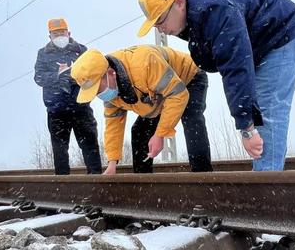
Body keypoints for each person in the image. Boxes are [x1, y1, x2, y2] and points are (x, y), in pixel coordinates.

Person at [137, 0, 295, 171]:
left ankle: (267, 187)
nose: (161, 29)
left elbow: (235, 66)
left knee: (267, 111)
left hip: (280, 35)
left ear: (179, 2)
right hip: (261, 44)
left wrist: (247, 129)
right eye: (155, 25)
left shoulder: (213, 10)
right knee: (263, 110)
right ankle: (268, 174)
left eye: (160, 20)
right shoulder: (195, 16)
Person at [70, 45, 212, 174]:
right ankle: (143, 182)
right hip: (158, 93)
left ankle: (203, 177)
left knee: (191, 119)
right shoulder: (110, 93)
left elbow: (178, 94)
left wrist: (160, 134)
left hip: (188, 78)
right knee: (139, 131)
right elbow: (113, 126)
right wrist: (112, 163)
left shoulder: (145, 64)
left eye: (98, 89)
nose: (99, 95)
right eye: (94, 92)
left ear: (111, 73)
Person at [34, 18, 102, 175]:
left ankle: (96, 180)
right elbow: (39, 77)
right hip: (56, 110)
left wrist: (74, 76)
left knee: (90, 146)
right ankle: (63, 185)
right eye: (55, 34)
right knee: (59, 151)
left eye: (62, 32)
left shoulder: (81, 50)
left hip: (81, 106)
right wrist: (58, 76)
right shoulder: (43, 54)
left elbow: (93, 72)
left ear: (69, 32)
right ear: (49, 36)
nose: (59, 36)